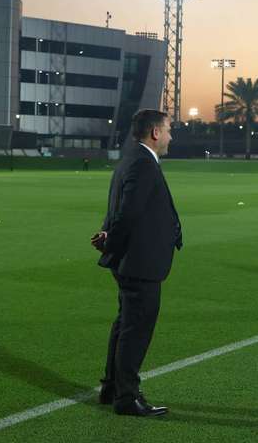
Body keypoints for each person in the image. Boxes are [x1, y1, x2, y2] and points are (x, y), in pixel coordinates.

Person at [90, 109, 183, 417]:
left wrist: (108, 240)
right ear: (155, 133)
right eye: (168, 129)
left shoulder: (132, 159)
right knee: (136, 329)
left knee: (125, 324)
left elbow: (119, 208)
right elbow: (127, 213)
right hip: (139, 262)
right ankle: (127, 397)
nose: (171, 136)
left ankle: (112, 387)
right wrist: (111, 244)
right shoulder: (143, 163)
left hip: (131, 260)